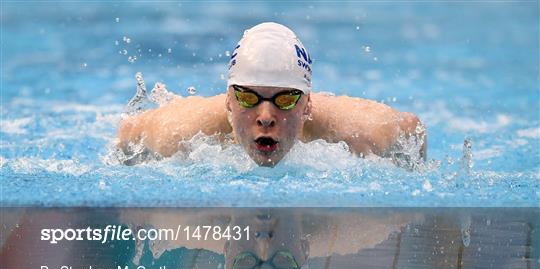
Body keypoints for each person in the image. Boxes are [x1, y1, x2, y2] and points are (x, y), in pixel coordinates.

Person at [118, 22, 426, 167]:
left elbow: (412, 128)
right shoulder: (182, 131)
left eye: (285, 99)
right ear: (228, 100)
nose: (266, 117)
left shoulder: (357, 132)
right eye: (249, 97)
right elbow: (129, 133)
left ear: (307, 104)